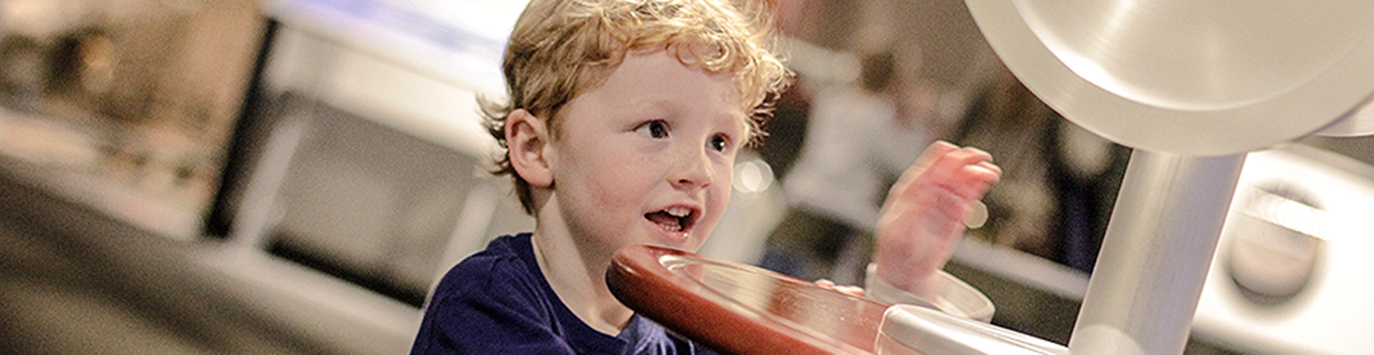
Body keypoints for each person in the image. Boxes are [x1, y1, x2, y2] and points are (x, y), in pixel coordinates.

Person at [410, 0, 1001, 353]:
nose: (698, 171)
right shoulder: (489, 304)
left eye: (721, 141)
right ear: (536, 148)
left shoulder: (681, 331)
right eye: (656, 129)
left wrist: (901, 282)